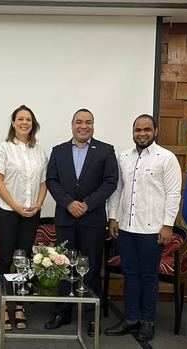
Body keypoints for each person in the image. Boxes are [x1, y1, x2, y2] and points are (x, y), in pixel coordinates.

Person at [104, 114, 181, 342]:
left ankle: (147, 321)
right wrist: (112, 218)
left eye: (147, 129)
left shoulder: (166, 158)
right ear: (133, 132)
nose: (142, 133)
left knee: (148, 276)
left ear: (155, 131)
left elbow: (174, 194)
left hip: (153, 230)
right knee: (130, 275)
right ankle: (130, 320)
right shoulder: (123, 157)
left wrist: (167, 225)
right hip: (127, 228)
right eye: (138, 130)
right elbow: (117, 191)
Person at [44, 108, 118, 337]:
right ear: (72, 125)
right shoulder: (58, 151)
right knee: (64, 265)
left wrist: (86, 204)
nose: (83, 126)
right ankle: (62, 312)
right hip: (66, 218)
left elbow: (110, 182)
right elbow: (52, 180)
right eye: (79, 122)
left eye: (88, 122)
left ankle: (90, 315)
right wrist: (68, 203)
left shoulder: (106, 150)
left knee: (92, 268)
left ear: (93, 126)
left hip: (92, 219)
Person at [0, 105, 48, 330]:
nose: (24, 122)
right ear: (13, 123)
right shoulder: (3, 148)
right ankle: (2, 307)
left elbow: (43, 182)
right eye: (20, 119)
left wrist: (39, 204)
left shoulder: (39, 151)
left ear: (33, 124)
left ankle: (20, 306)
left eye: (28, 120)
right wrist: (15, 206)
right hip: (6, 210)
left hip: (31, 212)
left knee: (24, 260)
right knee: (5, 258)